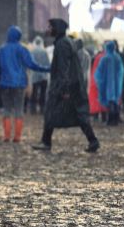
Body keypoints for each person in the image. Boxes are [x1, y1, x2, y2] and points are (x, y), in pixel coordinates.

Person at [33, 19, 100, 153]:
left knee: (55, 112)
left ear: (56, 29)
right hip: (71, 86)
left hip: (66, 87)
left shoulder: (62, 44)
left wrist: (63, 89)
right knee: (76, 115)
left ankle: (47, 142)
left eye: (50, 26)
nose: (48, 29)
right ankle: (92, 141)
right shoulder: (64, 42)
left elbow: (64, 68)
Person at [0, 27, 51, 143]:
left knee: (6, 109)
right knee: (19, 109)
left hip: (4, 83)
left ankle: (6, 135)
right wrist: (47, 69)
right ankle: (17, 136)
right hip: (19, 83)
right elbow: (31, 65)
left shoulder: (1, 50)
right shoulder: (22, 50)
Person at [94, 41, 124, 126]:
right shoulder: (117, 58)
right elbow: (121, 71)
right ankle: (116, 119)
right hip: (116, 84)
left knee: (110, 101)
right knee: (115, 101)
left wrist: (99, 81)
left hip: (106, 84)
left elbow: (99, 71)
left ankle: (110, 120)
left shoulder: (104, 58)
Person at [30, 36, 50, 115]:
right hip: (44, 75)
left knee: (34, 92)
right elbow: (47, 63)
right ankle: (42, 108)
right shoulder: (44, 51)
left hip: (35, 75)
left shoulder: (32, 51)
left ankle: (33, 109)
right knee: (43, 92)